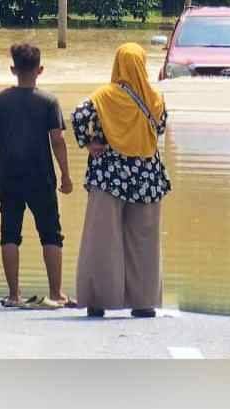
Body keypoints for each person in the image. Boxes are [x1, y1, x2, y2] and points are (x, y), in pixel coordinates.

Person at [71, 43, 171, 319]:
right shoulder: (155, 97)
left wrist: (89, 143)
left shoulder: (103, 96)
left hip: (109, 175)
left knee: (103, 239)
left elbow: (78, 117)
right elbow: (160, 127)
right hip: (148, 177)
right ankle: (143, 303)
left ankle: (99, 301)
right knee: (144, 242)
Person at [0, 43, 75, 309]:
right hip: (41, 177)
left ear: (13, 69)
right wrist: (66, 175)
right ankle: (56, 294)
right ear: (40, 70)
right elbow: (58, 141)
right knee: (51, 234)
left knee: (9, 233)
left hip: (8, 177)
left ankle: (13, 295)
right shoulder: (48, 102)